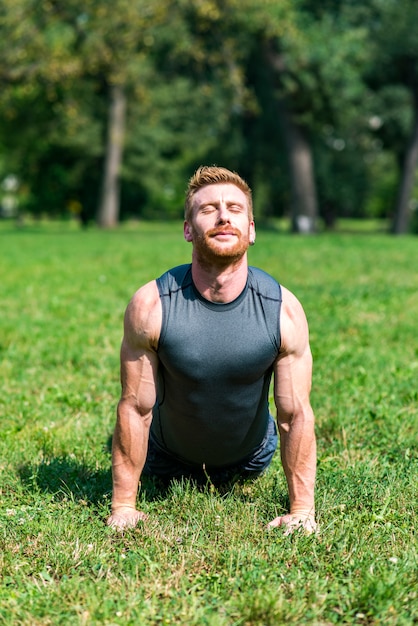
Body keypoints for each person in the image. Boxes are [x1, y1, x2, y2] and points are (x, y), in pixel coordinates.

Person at [107, 165, 317, 534]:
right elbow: (135, 407)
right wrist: (123, 505)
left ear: (251, 230)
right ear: (188, 230)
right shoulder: (151, 305)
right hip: (163, 458)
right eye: (208, 209)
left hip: (251, 459)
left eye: (235, 209)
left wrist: (302, 511)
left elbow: (295, 415)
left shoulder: (283, 309)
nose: (223, 216)